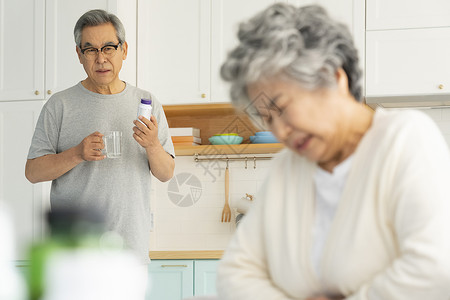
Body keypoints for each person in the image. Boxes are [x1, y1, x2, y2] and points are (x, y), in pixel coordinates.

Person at [217, 3, 450, 300]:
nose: (280, 131)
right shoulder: (285, 168)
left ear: (333, 78)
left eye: (282, 108)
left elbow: (434, 268)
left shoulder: (405, 138)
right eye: (267, 118)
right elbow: (234, 273)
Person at [25, 9, 175, 265]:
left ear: (124, 50)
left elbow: (166, 172)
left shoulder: (146, 104)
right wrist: (76, 154)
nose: (101, 58)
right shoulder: (59, 105)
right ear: (79, 55)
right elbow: (33, 172)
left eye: (108, 47)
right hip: (73, 253)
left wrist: (152, 145)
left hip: (130, 251)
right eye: (91, 50)